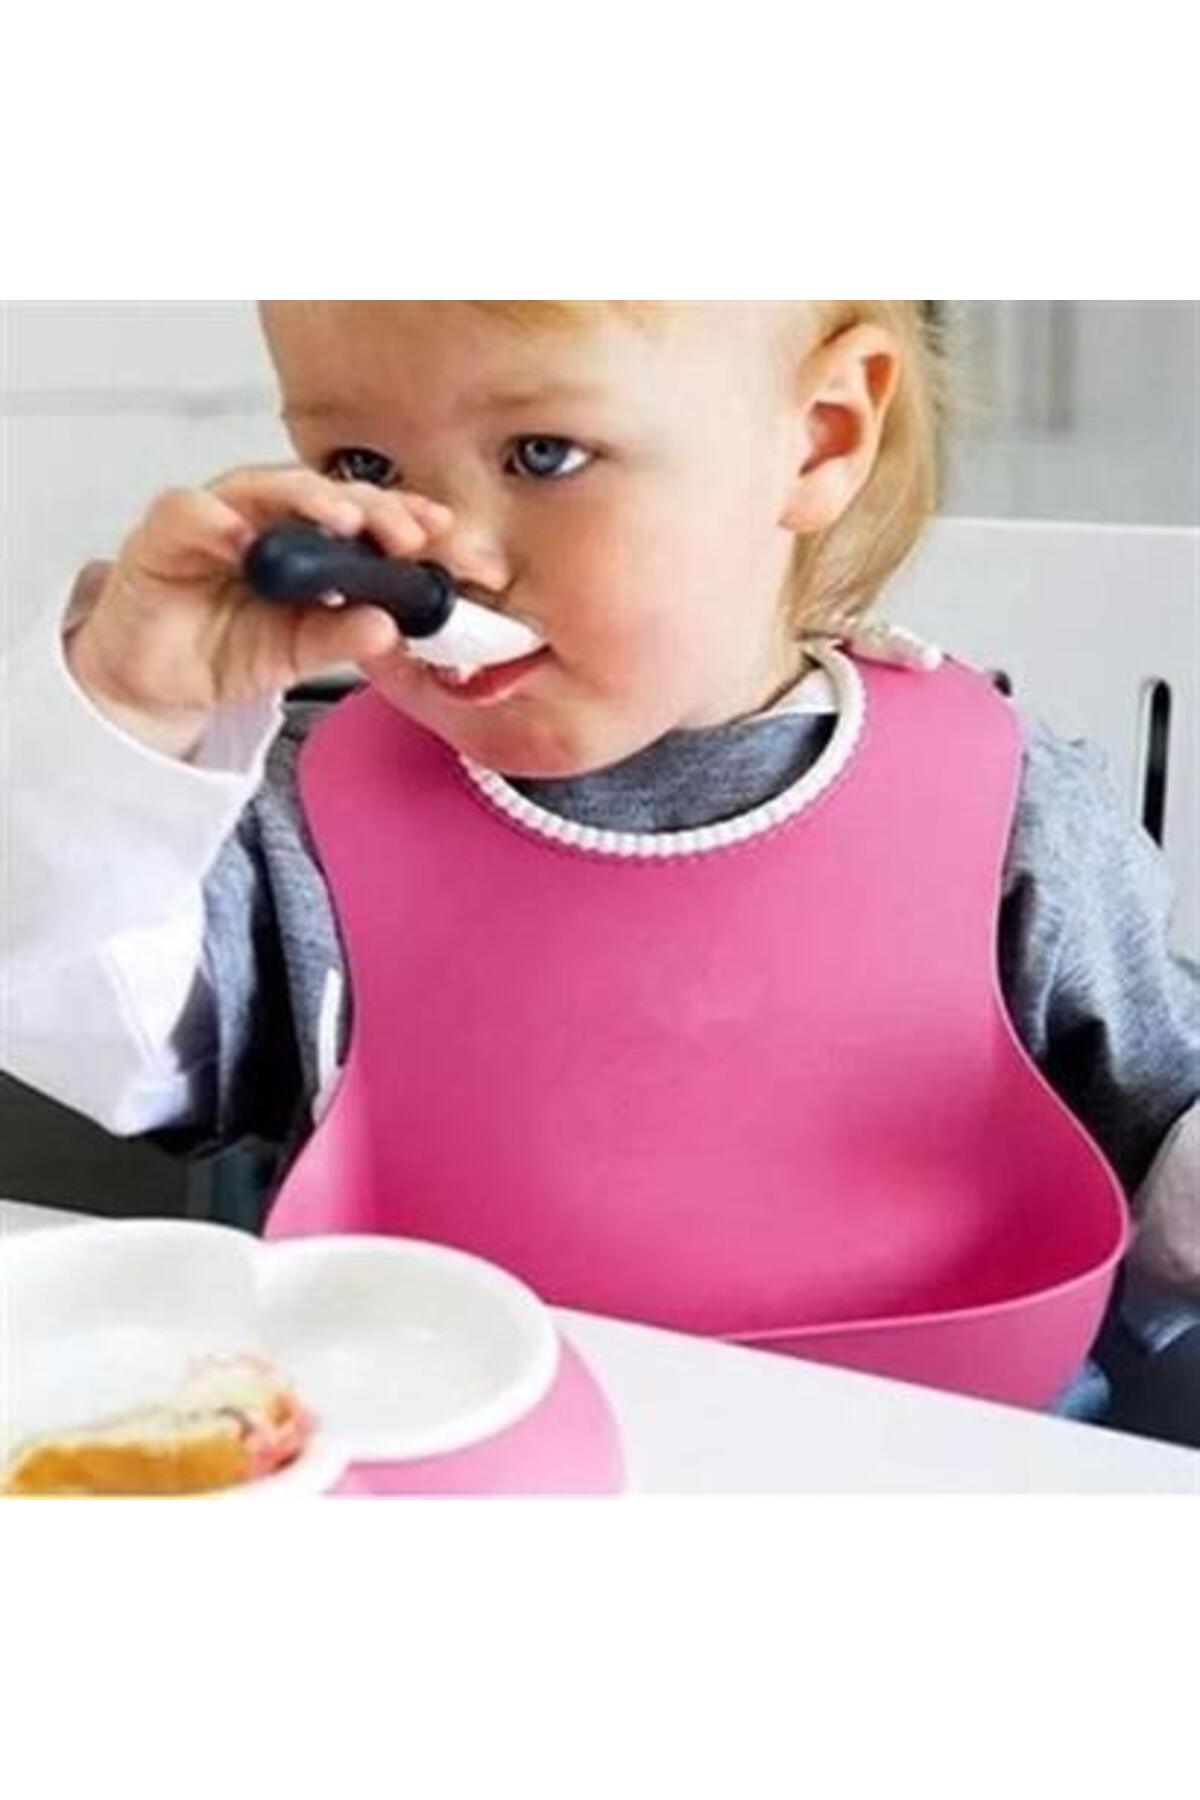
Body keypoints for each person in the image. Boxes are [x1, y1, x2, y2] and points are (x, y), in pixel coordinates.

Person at [4, 301, 1197, 1415]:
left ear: (819, 439)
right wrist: (127, 712)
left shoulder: (1014, 814)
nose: (444, 560)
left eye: (543, 455)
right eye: (364, 466)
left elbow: (1164, 1178)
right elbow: (59, 998)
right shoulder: (299, 827)